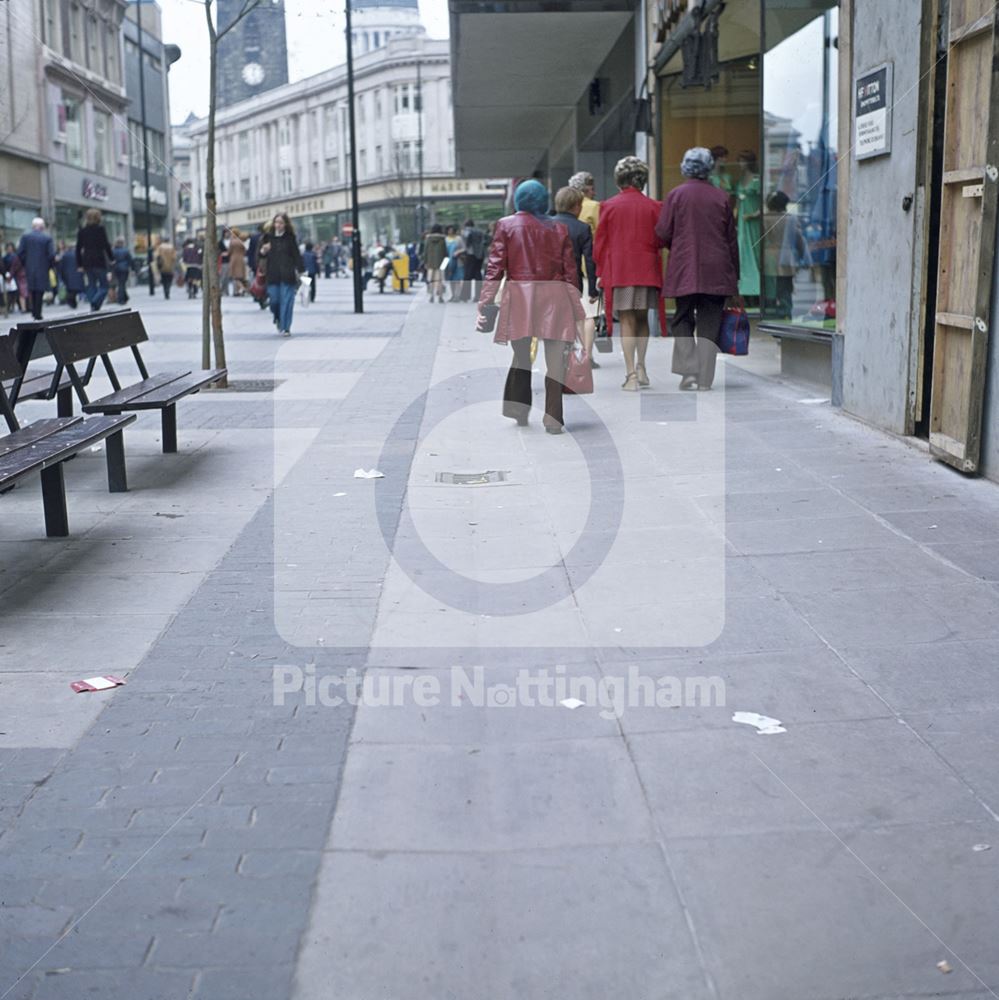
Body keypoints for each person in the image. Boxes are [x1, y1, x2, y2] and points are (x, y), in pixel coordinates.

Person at [477, 179, 583, 434]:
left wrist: (485, 301)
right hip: (555, 298)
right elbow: (570, 271)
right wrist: (576, 305)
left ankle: (519, 409)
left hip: (520, 298)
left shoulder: (506, 225)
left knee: (522, 356)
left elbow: (495, 267)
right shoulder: (559, 228)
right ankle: (553, 418)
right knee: (556, 359)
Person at [655, 147, 739, 392]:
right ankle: (705, 379)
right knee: (710, 321)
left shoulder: (675, 195)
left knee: (681, 318)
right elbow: (731, 240)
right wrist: (735, 276)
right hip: (717, 268)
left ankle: (688, 372)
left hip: (684, 265)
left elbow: (662, 232)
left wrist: (677, 244)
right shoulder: (721, 197)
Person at [593, 156, 663, 391]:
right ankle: (642, 368)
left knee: (626, 320)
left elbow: (600, 242)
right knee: (642, 318)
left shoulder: (609, 206)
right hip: (647, 268)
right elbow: (660, 239)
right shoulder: (655, 206)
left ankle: (631, 374)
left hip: (621, 268)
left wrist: (600, 270)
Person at [552, 187, 599, 359]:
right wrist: (593, 289)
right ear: (577, 206)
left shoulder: (547, 224)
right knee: (584, 317)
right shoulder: (582, 228)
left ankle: (562, 353)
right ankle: (587, 354)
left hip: (551, 282)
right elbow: (590, 260)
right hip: (575, 282)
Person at [258, 212, 303, 337]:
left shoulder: (290, 238)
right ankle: (278, 318)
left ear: (285, 224)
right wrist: (263, 250)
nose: (278, 225)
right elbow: (260, 255)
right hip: (272, 275)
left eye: (281, 223)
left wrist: (302, 270)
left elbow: (296, 255)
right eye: (276, 222)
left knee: (287, 301)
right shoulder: (268, 237)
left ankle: (286, 327)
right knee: (274, 301)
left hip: (288, 274)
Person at [16, 218, 56, 320]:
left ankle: (34, 311)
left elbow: (20, 253)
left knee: (32, 289)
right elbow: (51, 254)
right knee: (40, 290)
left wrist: (26, 262)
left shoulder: (25, 237)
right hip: (42, 267)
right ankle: (38, 312)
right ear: (42, 226)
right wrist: (50, 266)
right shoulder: (46, 238)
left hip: (29, 267)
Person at [735, 149, 762, 301]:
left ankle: (756, 290)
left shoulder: (756, 180)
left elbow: (763, 203)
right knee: (742, 254)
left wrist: (753, 215)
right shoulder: (741, 180)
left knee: (754, 254)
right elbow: (738, 203)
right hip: (742, 223)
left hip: (753, 223)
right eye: (739, 160)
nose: (741, 164)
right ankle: (745, 290)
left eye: (743, 160)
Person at [75, 209, 113, 312]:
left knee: (91, 285)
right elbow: (106, 245)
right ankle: (95, 302)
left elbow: (78, 248)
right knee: (104, 286)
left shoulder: (82, 231)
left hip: (87, 261)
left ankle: (94, 306)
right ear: (98, 218)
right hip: (99, 261)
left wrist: (79, 264)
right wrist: (111, 258)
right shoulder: (101, 229)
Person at [568, 171, 600, 237]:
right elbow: (601, 231)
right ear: (584, 190)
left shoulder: (568, 206)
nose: (594, 193)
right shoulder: (594, 206)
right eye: (592, 189)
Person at [461, 218, 486, 301]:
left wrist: (466, 248)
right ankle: (478, 296)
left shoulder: (467, 231)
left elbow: (467, 241)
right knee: (478, 275)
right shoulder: (479, 231)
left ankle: (465, 296)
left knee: (467, 275)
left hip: (470, 254)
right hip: (479, 255)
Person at [422, 224, 447, 303]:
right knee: (440, 279)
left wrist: (425, 262)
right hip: (441, 262)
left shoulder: (428, 239)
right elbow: (445, 252)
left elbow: (425, 252)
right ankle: (440, 297)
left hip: (430, 263)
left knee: (431, 279)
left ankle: (431, 296)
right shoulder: (443, 239)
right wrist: (445, 264)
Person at [57, 242, 85, 308]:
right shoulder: (77, 255)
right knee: (74, 290)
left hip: (67, 274)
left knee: (70, 289)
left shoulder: (65, 255)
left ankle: (72, 302)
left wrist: (61, 274)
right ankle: (72, 302)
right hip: (76, 273)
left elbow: (61, 266)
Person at [444, 225, 465, 301]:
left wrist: (457, 252)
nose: (450, 231)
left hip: (458, 261)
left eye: (452, 230)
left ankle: (457, 296)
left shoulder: (458, 238)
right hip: (448, 262)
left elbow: (464, 248)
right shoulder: (445, 239)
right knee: (450, 279)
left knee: (458, 279)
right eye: (449, 230)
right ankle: (453, 295)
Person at [111, 237, 132, 306]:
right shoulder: (126, 250)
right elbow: (130, 260)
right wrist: (132, 268)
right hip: (124, 269)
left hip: (116, 269)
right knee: (122, 284)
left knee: (121, 283)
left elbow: (111, 261)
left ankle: (125, 297)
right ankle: (121, 299)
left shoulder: (113, 251)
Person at [228, 228, 248, 296]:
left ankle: (242, 288)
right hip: (241, 259)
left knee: (234, 276)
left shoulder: (232, 241)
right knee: (240, 276)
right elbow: (245, 251)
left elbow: (229, 251)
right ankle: (239, 290)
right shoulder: (241, 241)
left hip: (234, 259)